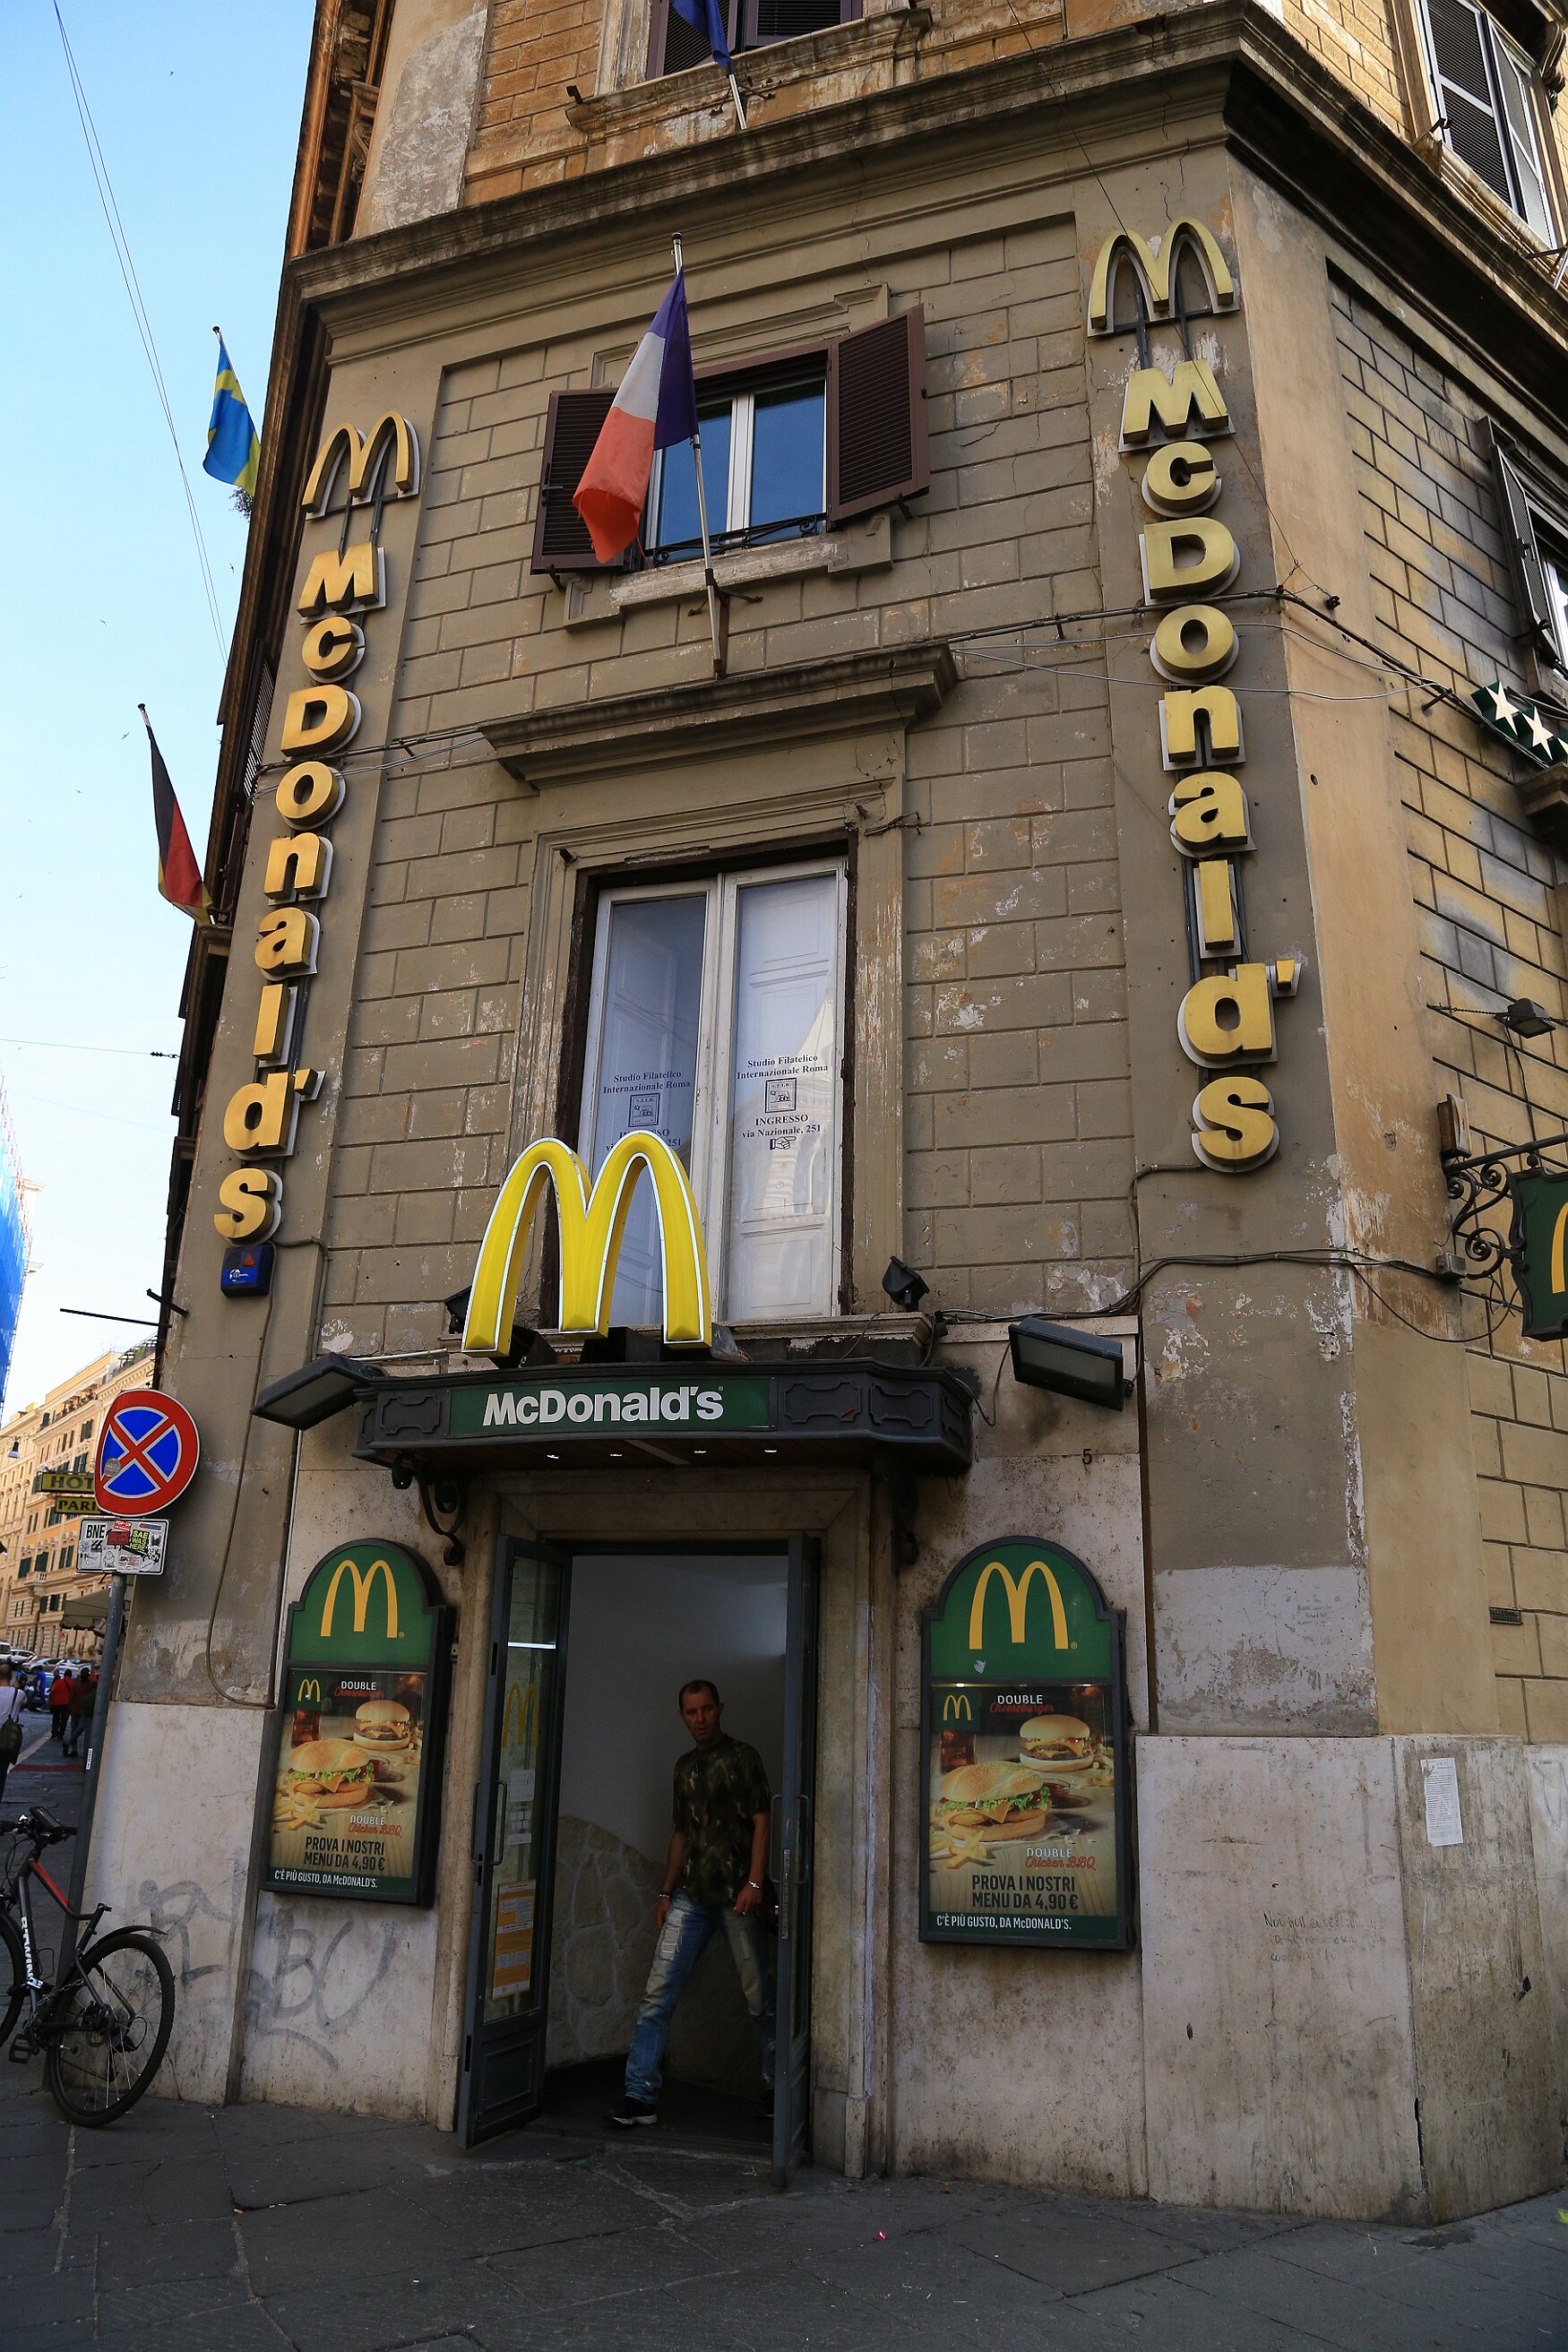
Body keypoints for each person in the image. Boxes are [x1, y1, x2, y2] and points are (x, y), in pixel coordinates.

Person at [608, 1678, 774, 2130]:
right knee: (656, 1995)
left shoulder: (743, 1757)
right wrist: (665, 1892)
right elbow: (680, 1832)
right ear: (682, 1716)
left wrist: (755, 1882)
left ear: (721, 1708)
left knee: (759, 1997)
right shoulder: (684, 1768)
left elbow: (763, 1821)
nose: (700, 1719)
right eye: (691, 1712)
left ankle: (776, 2087)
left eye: (706, 1709)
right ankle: (639, 2094)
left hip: (738, 1898)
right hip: (691, 1898)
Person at [62, 1667, 97, 1761]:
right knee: (75, 1730)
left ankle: (69, 1743)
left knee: (80, 1728)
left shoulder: (91, 1684)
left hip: (82, 1711)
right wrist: (69, 1710)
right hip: (75, 1710)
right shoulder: (77, 1686)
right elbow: (71, 1698)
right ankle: (74, 1749)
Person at [0, 1667, 22, 1806]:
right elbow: (24, 1702)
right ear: (10, 1677)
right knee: (1, 1775)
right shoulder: (18, 1694)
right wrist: (16, 1685)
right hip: (6, 1741)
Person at [49, 1669, 73, 1745]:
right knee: (64, 1719)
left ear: (64, 1675)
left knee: (56, 1718)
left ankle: (54, 1732)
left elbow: (52, 1692)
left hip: (56, 1703)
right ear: (71, 1675)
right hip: (67, 1704)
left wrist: (50, 1702)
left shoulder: (58, 1682)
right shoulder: (73, 1683)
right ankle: (61, 1734)